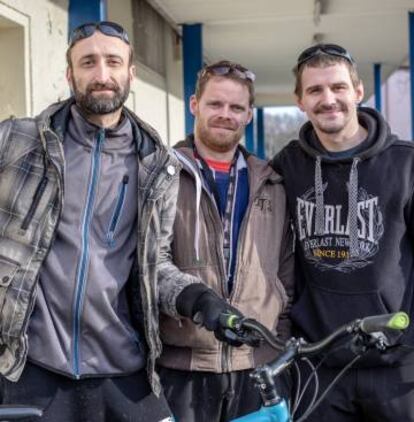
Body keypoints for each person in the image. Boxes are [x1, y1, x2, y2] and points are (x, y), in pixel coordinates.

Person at [0, 22, 238, 422]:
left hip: (123, 369)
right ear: (70, 74)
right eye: (88, 63)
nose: (101, 75)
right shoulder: (16, 142)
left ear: (131, 74)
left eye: (113, 62)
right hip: (29, 366)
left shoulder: (157, 165)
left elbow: (155, 264)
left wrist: (199, 299)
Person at [271, 43, 414, 421]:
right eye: (315, 90)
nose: (328, 99)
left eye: (337, 87)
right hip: (319, 365)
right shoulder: (287, 165)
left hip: (398, 366)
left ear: (358, 91)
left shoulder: (405, 163)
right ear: (300, 101)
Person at [157, 60, 294, 422]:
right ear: (194, 105)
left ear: (249, 114)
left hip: (256, 366)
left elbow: (286, 270)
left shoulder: (273, 184)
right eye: (215, 104)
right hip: (182, 367)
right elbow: (149, 264)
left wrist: (275, 337)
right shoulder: (160, 175)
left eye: (236, 107)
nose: (225, 114)